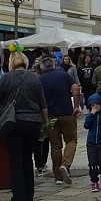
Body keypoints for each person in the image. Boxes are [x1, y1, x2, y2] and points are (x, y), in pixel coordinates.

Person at [0, 51, 46, 201]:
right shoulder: (34, 78)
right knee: (27, 158)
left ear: (11, 63)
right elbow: (43, 104)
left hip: (13, 122)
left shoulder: (6, 78)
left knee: (16, 160)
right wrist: (45, 123)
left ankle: (18, 199)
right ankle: (29, 194)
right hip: (33, 123)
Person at [39, 55, 80, 186]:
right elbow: (75, 88)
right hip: (67, 114)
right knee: (71, 140)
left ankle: (58, 176)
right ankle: (66, 165)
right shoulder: (63, 75)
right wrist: (76, 105)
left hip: (50, 117)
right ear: (54, 65)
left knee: (55, 146)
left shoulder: (40, 80)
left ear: (42, 67)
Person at [83, 94, 101, 192]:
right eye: (93, 105)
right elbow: (86, 125)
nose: (95, 107)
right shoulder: (90, 115)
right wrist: (92, 115)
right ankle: (94, 182)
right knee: (92, 163)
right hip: (91, 143)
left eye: (97, 104)